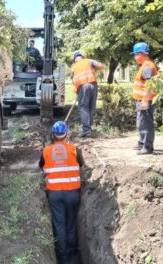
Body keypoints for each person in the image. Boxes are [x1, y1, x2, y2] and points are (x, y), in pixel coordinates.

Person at [39, 121, 84, 264]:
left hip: (55, 194)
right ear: (67, 135)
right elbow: (81, 164)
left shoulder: (46, 151)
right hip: (73, 193)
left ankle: (63, 258)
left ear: (53, 135)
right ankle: (72, 251)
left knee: (59, 224)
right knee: (71, 222)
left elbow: (41, 165)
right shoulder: (74, 150)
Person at [130, 42, 158, 154]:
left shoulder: (147, 66)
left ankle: (147, 147)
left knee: (146, 123)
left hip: (145, 99)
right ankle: (142, 143)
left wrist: (145, 100)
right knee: (141, 122)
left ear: (141, 53)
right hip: (141, 99)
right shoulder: (145, 65)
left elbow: (149, 84)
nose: (135, 57)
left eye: (135, 54)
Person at [70, 51, 104, 137]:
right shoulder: (89, 61)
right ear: (82, 56)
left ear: (75, 59)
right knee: (91, 106)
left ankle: (86, 130)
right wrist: (94, 69)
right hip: (93, 85)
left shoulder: (73, 67)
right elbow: (100, 65)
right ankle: (89, 127)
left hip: (82, 87)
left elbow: (72, 79)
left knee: (83, 107)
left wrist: (77, 91)